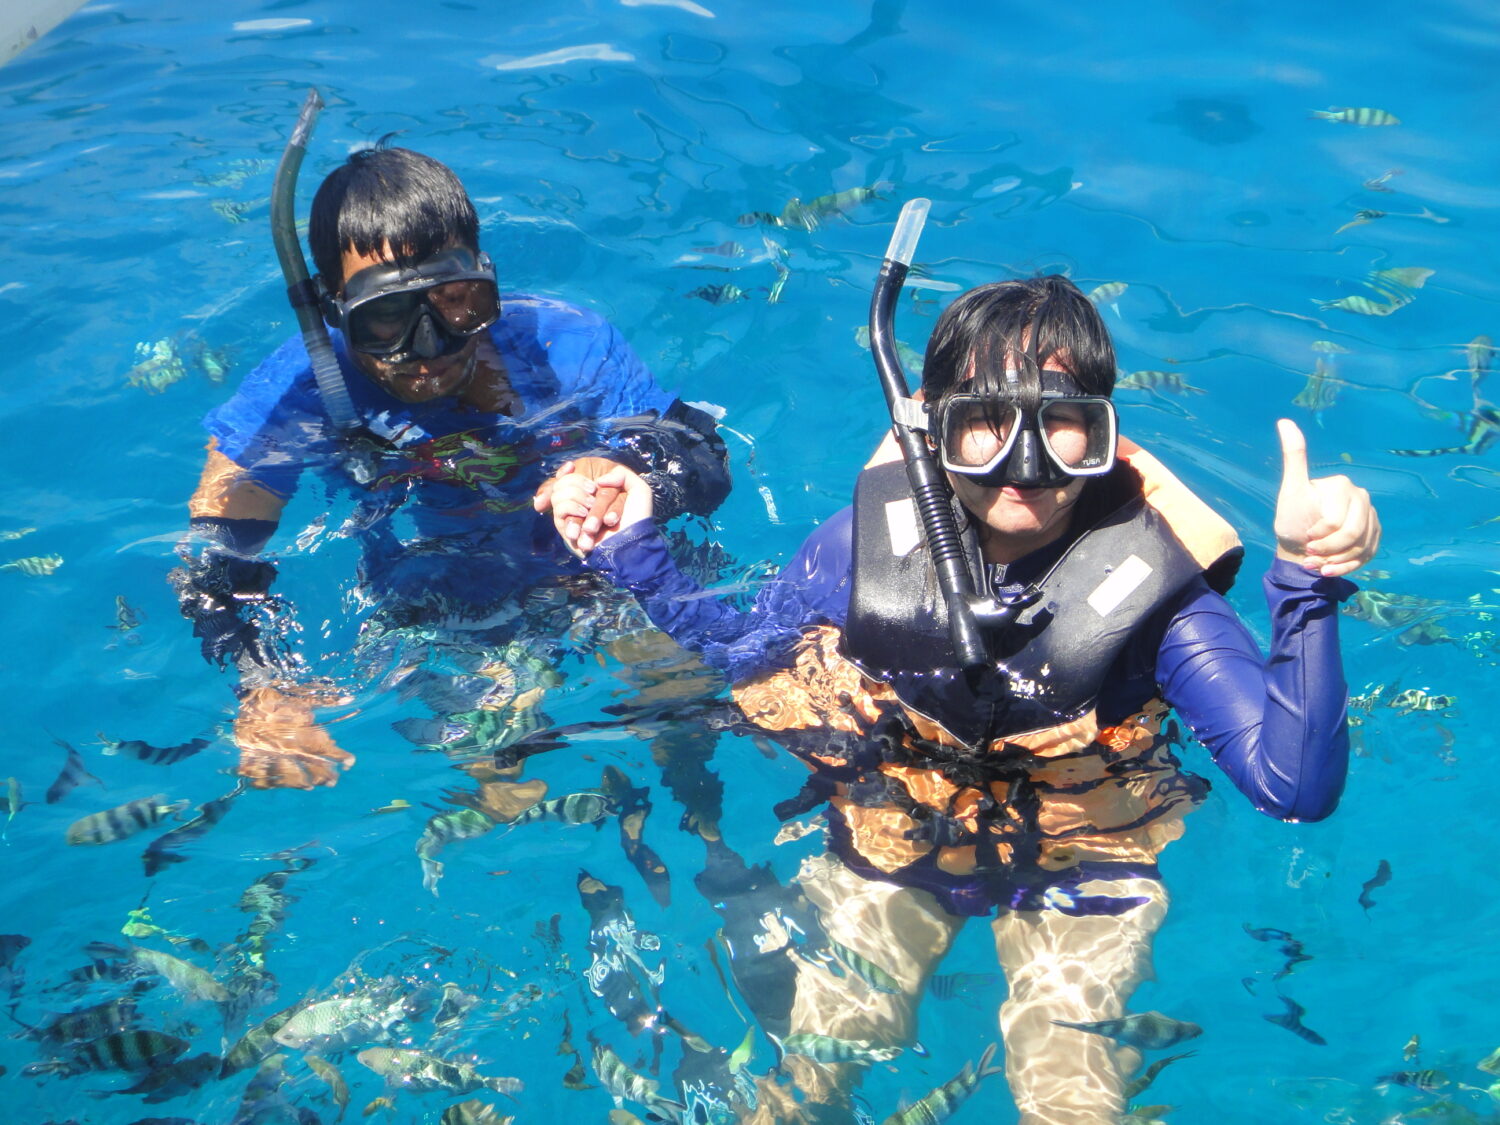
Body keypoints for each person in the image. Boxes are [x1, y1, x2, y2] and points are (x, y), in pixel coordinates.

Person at [554, 276, 1379, 1124]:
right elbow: (744, 655)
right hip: (897, 822)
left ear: (1104, 432)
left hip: (1086, 845)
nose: (1025, 464)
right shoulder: (860, 550)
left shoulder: (1159, 603)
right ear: (926, 421)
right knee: (807, 1080)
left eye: (1061, 422)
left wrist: (1307, 587)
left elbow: (1295, 789)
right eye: (984, 421)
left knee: (1072, 1094)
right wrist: (635, 547)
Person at [172, 143, 731, 789]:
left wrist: (626, 473)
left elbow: (701, 456)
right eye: (385, 319)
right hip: (441, 612)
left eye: (457, 302)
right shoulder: (297, 393)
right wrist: (262, 683)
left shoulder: (566, 345)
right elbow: (214, 558)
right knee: (501, 787)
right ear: (333, 309)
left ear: (487, 279)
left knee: (692, 709)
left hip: (597, 576)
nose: (429, 348)